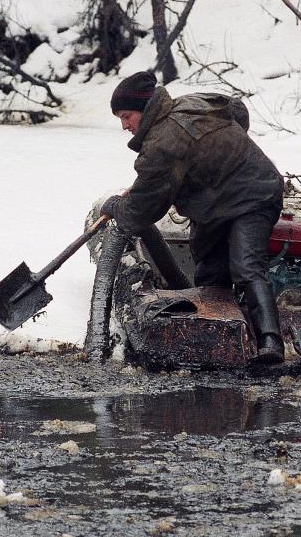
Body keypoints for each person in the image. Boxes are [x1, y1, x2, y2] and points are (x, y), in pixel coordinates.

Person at [101, 71, 286, 364]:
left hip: (254, 195)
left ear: (145, 109)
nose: (125, 125)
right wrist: (214, 157)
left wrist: (115, 207)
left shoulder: (161, 147)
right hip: (215, 205)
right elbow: (237, 110)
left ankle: (270, 343)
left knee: (246, 264)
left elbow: (140, 213)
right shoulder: (195, 102)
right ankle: (219, 340)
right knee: (211, 271)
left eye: (126, 116)